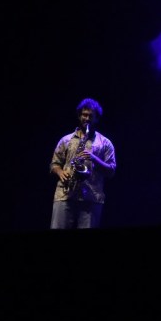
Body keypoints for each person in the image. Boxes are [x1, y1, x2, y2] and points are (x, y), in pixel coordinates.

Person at [50, 98, 117, 229]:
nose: (86, 118)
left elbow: (111, 170)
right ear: (79, 116)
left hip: (91, 198)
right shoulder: (66, 140)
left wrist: (94, 158)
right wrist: (60, 172)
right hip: (65, 195)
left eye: (90, 116)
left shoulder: (105, 143)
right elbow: (54, 164)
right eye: (84, 115)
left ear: (97, 118)